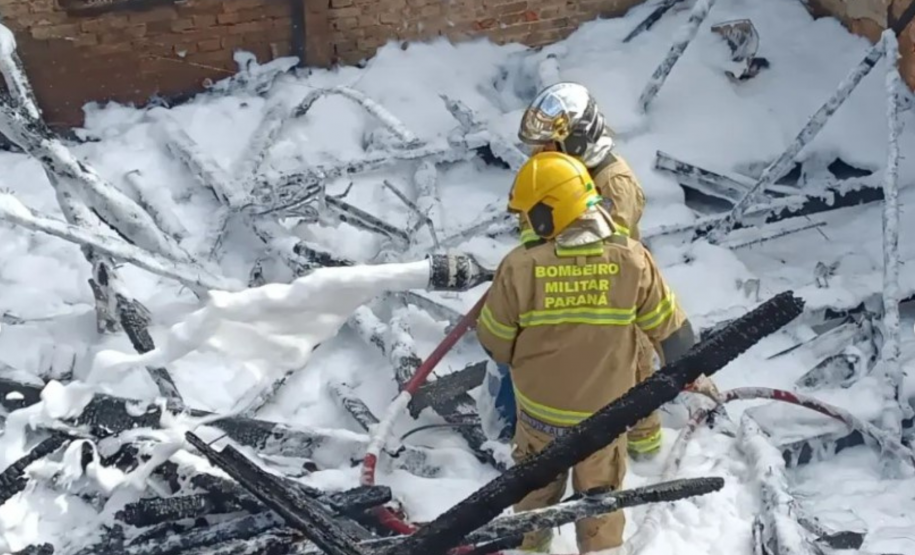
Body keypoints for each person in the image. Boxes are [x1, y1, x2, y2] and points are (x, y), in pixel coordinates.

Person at [476, 151, 705, 553]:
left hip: (539, 420)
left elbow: (495, 342)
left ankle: (531, 548)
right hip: (606, 420)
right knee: (601, 501)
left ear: (550, 212)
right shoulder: (632, 259)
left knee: (533, 498)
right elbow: (674, 337)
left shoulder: (518, 267)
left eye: (528, 213)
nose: (523, 222)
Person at [514, 81, 661, 459]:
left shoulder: (614, 183)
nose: (543, 153)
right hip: (582, 278)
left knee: (635, 364)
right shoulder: (571, 170)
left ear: (578, 140)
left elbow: (609, 249)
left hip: (619, 291)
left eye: (550, 146)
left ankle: (645, 446)